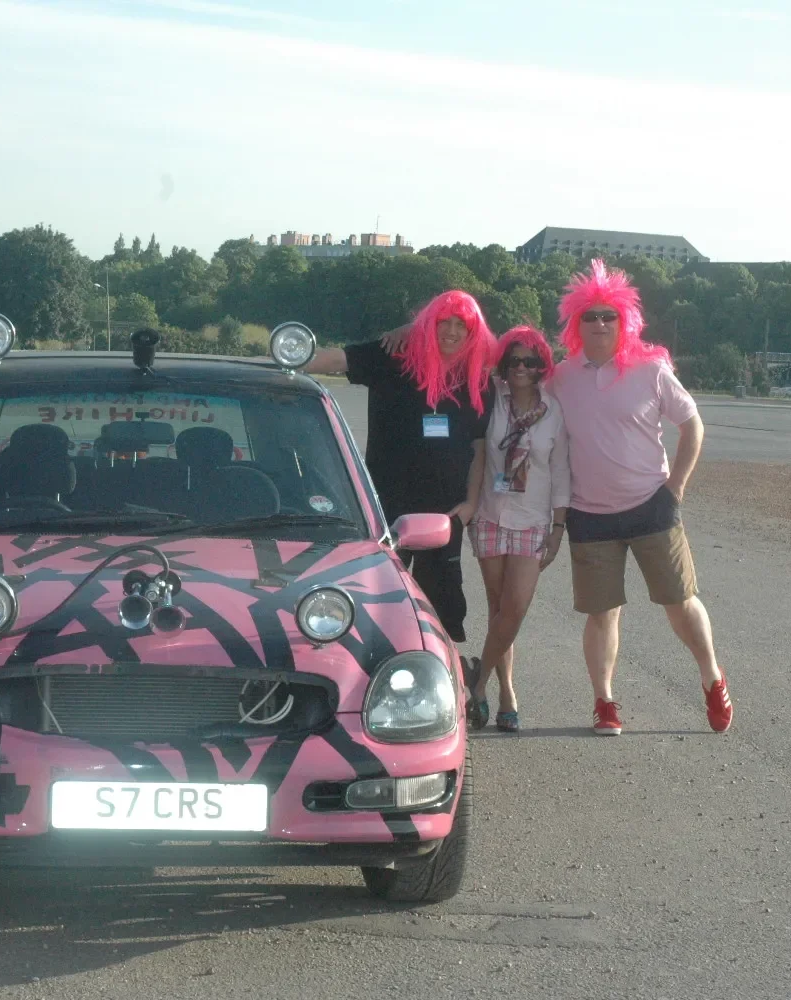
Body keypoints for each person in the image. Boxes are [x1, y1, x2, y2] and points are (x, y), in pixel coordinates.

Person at [548, 259, 732, 735]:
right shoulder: (562, 376)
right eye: (590, 315)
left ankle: (712, 677)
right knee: (601, 613)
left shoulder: (651, 370)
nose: (601, 323)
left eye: (609, 314)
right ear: (576, 323)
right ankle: (604, 702)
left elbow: (691, 425)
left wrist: (677, 489)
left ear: (625, 319)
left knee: (680, 601)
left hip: (652, 505)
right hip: (590, 515)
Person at [309, 290, 495, 643]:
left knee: (442, 610)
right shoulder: (394, 358)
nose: (453, 332)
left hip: (443, 513)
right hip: (384, 506)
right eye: (444, 323)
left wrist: (471, 503)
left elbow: (479, 446)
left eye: (462, 326)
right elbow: (336, 360)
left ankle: (444, 679)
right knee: (373, 600)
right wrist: (282, 360)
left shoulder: (477, 382)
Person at [462, 325, 569, 733]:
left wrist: (559, 526)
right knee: (497, 610)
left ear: (542, 365)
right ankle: (505, 693)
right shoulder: (490, 401)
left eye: (530, 361)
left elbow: (560, 471)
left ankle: (479, 679)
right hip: (491, 514)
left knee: (516, 609)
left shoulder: (554, 410)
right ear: (503, 365)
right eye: (514, 361)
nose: (521, 368)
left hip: (533, 518)